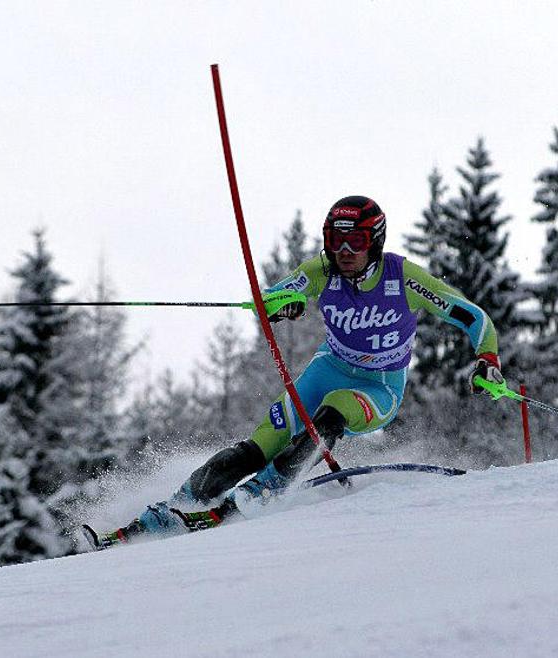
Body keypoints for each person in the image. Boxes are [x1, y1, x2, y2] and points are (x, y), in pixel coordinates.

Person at [84, 195, 503, 548]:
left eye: (355, 241)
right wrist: (284, 303)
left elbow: (475, 317)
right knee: (260, 445)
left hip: (378, 387)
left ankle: (256, 495)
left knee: (333, 414)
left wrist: (487, 359)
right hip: (327, 369)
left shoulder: (403, 278)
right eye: (335, 241)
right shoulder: (321, 271)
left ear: (375, 242)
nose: (344, 251)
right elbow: (272, 297)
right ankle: (172, 507)